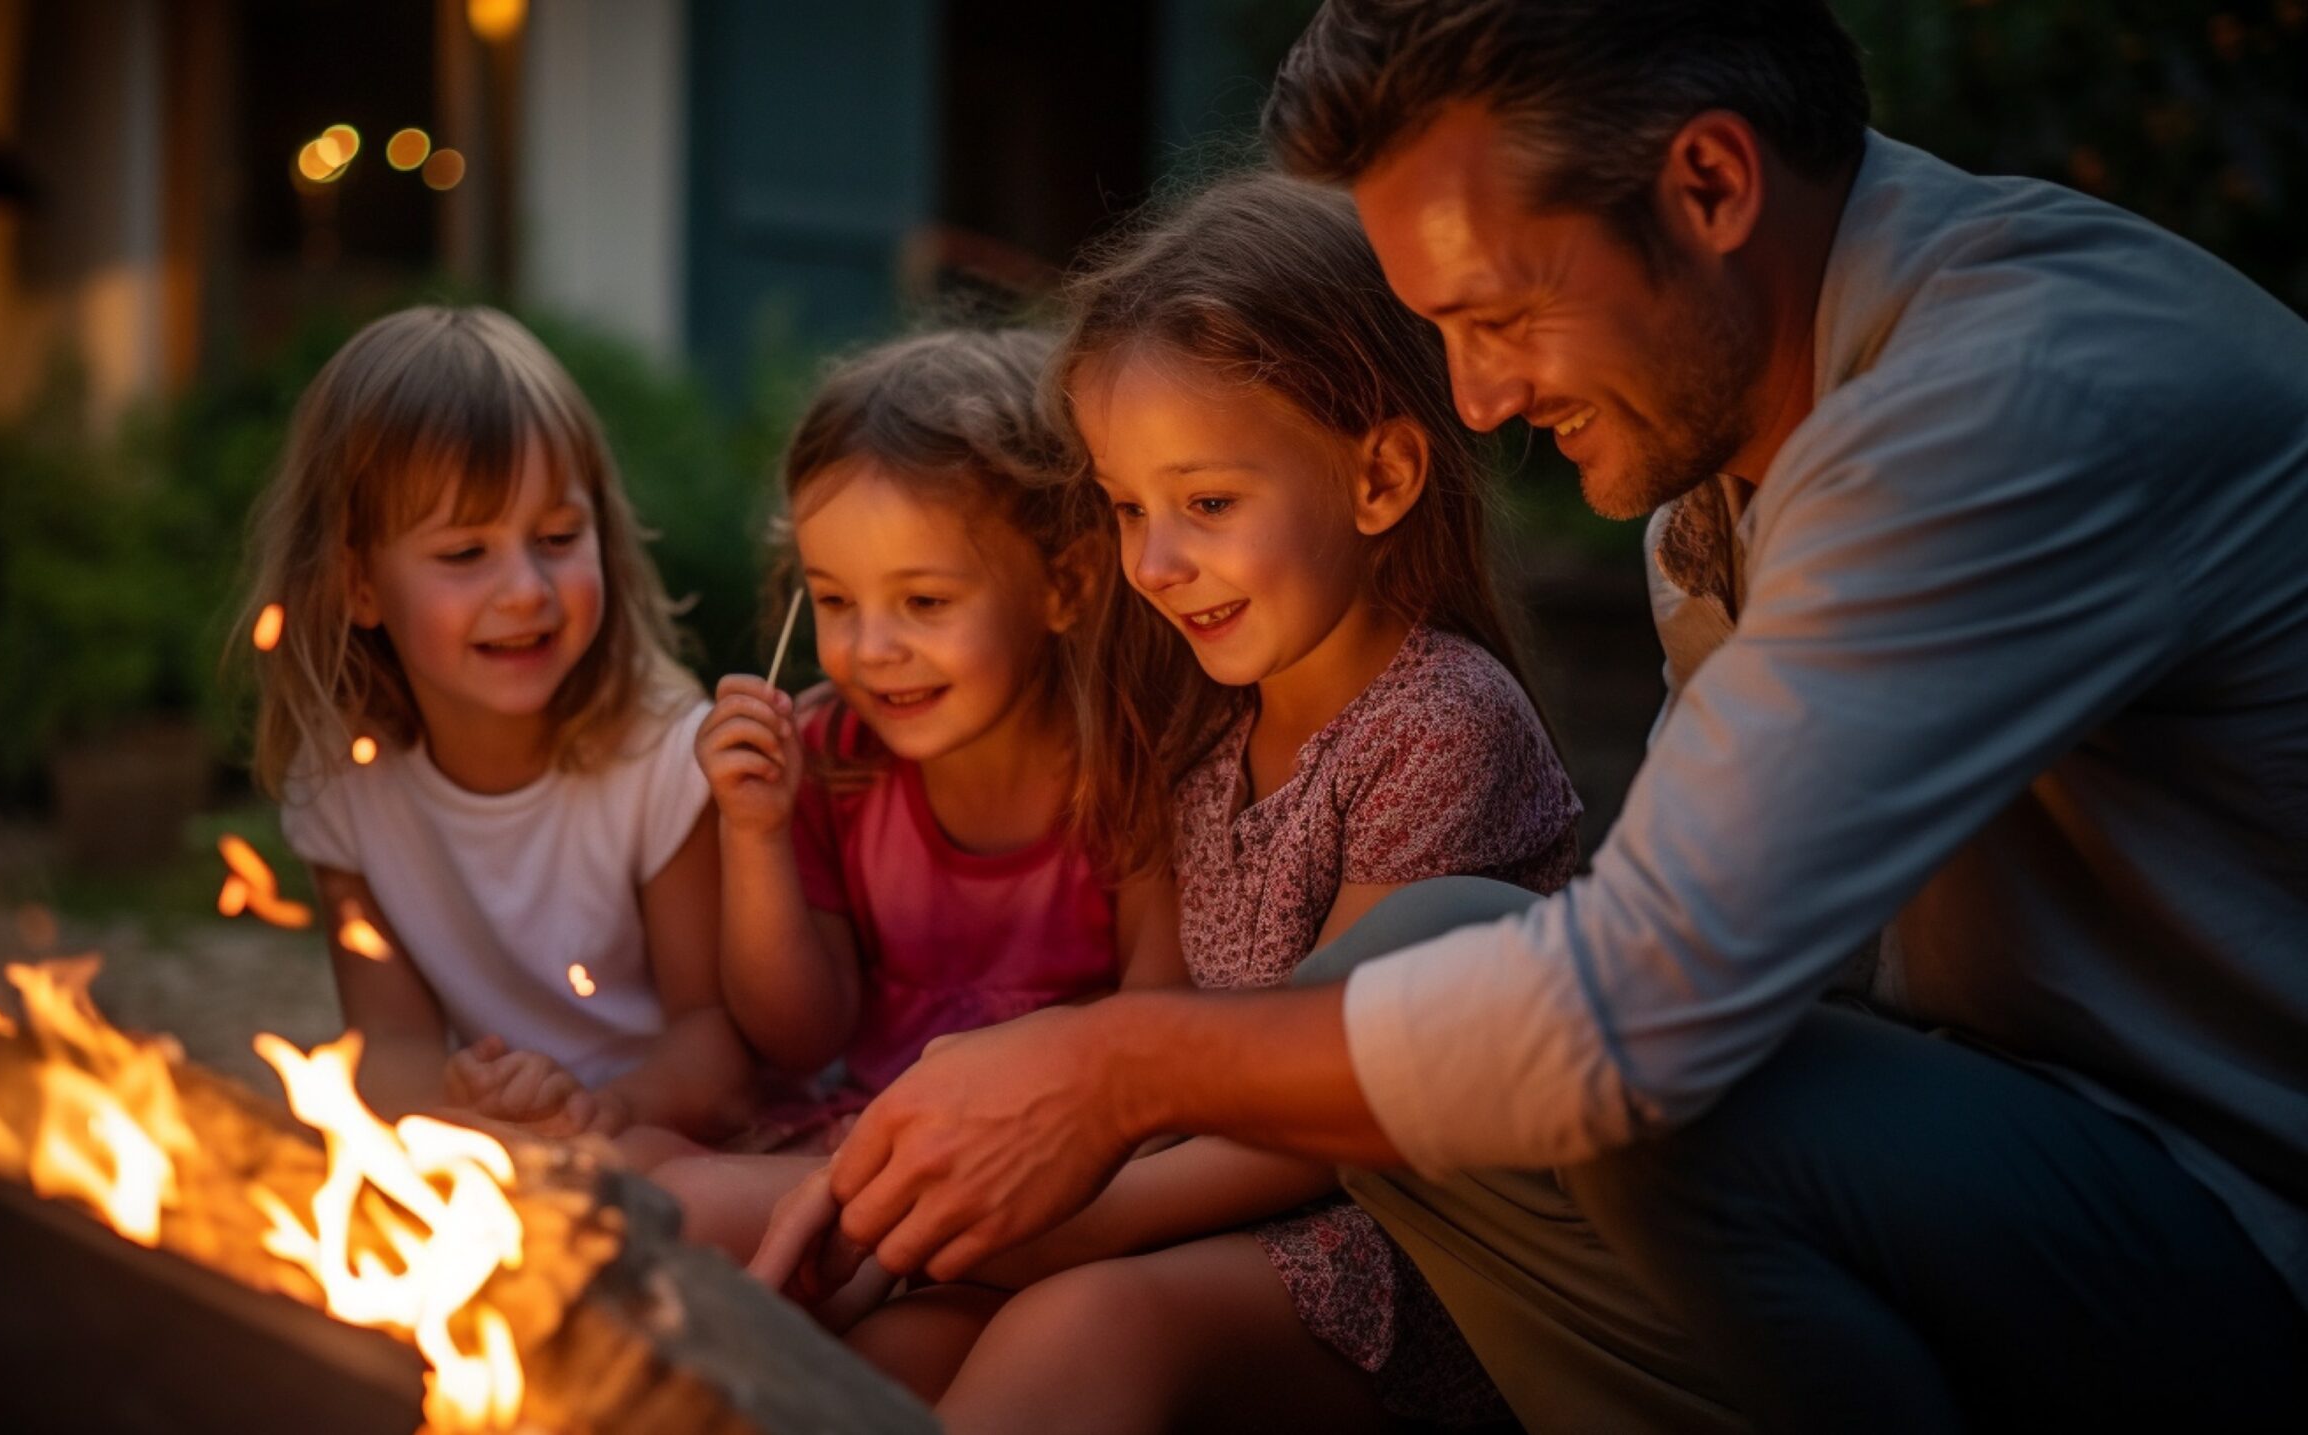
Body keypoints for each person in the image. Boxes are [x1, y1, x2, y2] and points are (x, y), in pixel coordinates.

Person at [801, 3, 2308, 1431]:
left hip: (2238, 1230)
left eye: (1502, 310)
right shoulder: (1726, 464)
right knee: (1442, 982)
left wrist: (1113, 1067)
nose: (1472, 398)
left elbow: (1636, 1010)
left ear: (1709, 181)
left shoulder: (2006, 404)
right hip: (2030, 1158)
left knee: (1527, 1034)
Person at [761, 175, 1579, 1432]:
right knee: (899, 1340)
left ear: (1381, 476)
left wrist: (1081, 1224)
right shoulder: (1204, 722)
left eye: (1205, 504)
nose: (1154, 562)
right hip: (1209, 1204)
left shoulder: (1443, 727)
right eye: (1129, 507)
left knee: (1088, 1324)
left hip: (1419, 1248)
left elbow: (1341, 1114)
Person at [647, 329, 1184, 1260]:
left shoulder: (1131, 770)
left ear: (1067, 584)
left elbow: (1163, 1032)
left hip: (1052, 1182)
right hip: (854, 1132)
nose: (870, 648)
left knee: (674, 1210)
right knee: (626, 1163)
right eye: (836, 600)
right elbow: (799, 1035)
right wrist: (755, 832)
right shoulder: (827, 758)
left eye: (925, 602)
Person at [242, 305, 750, 1142]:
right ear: (358, 584)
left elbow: (718, 1051)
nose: (526, 590)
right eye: (464, 553)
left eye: (557, 536)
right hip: (499, 1148)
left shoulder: (660, 759)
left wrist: (600, 1111)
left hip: (666, 1130)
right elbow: (393, 1039)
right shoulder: (343, 782)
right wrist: (454, 1097)